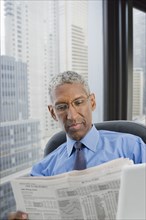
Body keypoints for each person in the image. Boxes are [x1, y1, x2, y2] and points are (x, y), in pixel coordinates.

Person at [8, 71, 146, 220]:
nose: (72, 116)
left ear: (92, 102)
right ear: (53, 113)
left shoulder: (132, 146)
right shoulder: (43, 170)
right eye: (61, 107)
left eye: (78, 103)